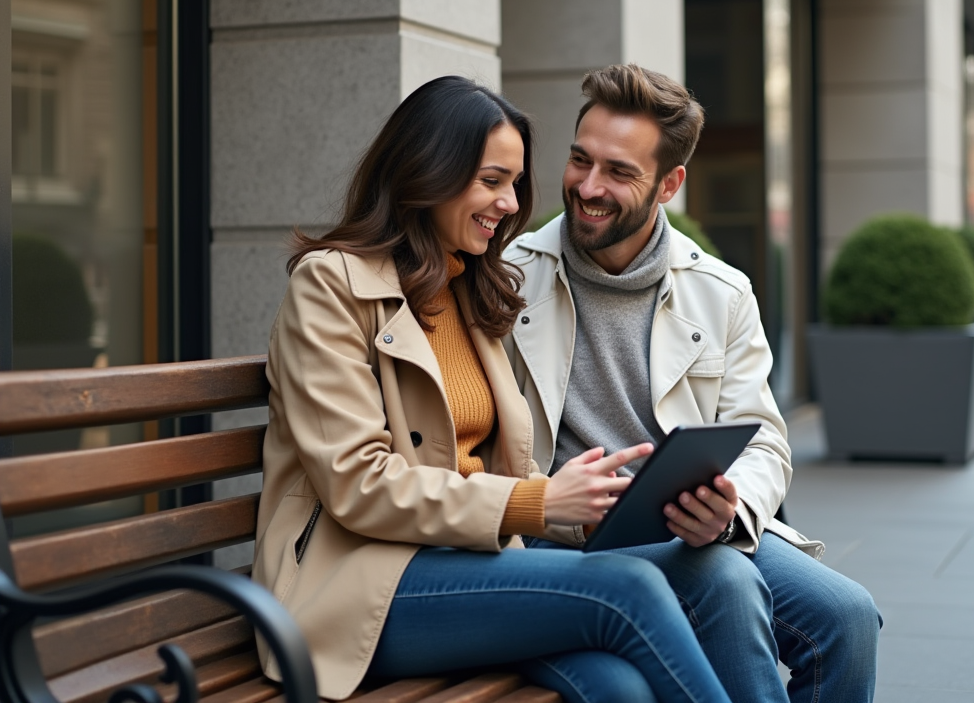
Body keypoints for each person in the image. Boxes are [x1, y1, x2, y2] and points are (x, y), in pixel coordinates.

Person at [251, 75, 735, 703]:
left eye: (514, 183)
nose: (511, 204)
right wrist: (539, 503)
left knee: (620, 688)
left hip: (469, 564)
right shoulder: (330, 287)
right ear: (428, 173)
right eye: (492, 181)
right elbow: (357, 482)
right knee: (631, 589)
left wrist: (593, 510)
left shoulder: (469, 289)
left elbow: (504, 470)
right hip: (355, 586)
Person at [503, 65, 880, 703]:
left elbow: (763, 440)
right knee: (726, 587)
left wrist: (729, 513)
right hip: (565, 540)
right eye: (579, 160)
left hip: (689, 530)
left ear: (669, 184)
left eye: (619, 172)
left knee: (845, 616)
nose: (589, 187)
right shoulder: (508, 280)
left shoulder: (723, 291)